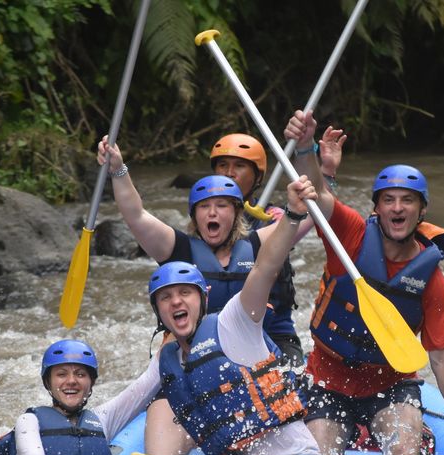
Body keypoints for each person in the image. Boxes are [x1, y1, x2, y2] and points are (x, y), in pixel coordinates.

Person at [283, 108, 444, 455]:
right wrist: (305, 149)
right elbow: (319, 196)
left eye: (407, 200)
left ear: (421, 210)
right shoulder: (349, 236)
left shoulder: (431, 280)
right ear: (376, 207)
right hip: (327, 381)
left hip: (389, 386)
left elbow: (441, 355)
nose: (397, 207)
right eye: (388, 199)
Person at [143, 177, 325, 455]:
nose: (176, 304)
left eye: (184, 295)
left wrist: (292, 215)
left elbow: (265, 267)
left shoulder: (235, 321)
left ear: (203, 298)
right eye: (166, 299)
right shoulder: (170, 359)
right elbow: (118, 408)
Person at [96, 135, 303, 365]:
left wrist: (307, 168)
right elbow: (135, 215)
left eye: (222, 206)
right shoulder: (178, 248)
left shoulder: (258, 243)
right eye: (204, 206)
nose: (212, 213)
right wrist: (118, 169)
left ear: (236, 214)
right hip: (199, 345)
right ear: (194, 216)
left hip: (266, 340)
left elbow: (309, 215)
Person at [0, 339, 159, 455]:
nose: (71, 381)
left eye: (80, 374)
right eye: (61, 374)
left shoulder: (102, 420)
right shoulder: (29, 420)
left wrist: (170, 330)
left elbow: (149, 381)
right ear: (48, 382)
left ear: (91, 383)